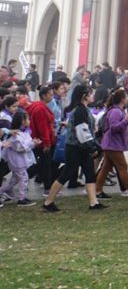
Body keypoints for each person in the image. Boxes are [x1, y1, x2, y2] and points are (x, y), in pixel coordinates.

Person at [42, 84, 106, 212]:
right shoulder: (80, 111)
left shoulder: (82, 109)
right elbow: (82, 132)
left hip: (81, 147)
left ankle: (94, 202)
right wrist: (93, 147)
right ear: (84, 96)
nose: (92, 96)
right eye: (90, 93)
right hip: (75, 148)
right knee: (66, 174)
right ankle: (48, 202)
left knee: (89, 173)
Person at [95, 89, 128, 200]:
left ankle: (97, 190)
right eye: (126, 96)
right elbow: (114, 128)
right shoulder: (116, 111)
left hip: (112, 144)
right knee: (123, 166)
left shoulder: (118, 110)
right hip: (113, 145)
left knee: (106, 167)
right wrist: (126, 120)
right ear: (122, 99)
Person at [0, 110, 38, 205]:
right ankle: (22, 198)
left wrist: (33, 143)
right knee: (24, 178)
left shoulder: (24, 132)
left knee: (15, 179)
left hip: (20, 161)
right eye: (27, 119)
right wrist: (33, 144)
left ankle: (5, 191)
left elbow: (26, 144)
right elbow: (21, 148)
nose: (29, 121)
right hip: (17, 162)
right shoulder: (16, 135)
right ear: (22, 121)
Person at [26, 85, 56, 189]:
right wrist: (47, 143)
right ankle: (47, 187)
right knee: (44, 165)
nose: (52, 97)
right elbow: (43, 127)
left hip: (37, 140)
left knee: (41, 164)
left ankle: (46, 185)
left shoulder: (37, 106)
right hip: (41, 141)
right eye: (50, 95)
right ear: (44, 95)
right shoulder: (41, 109)